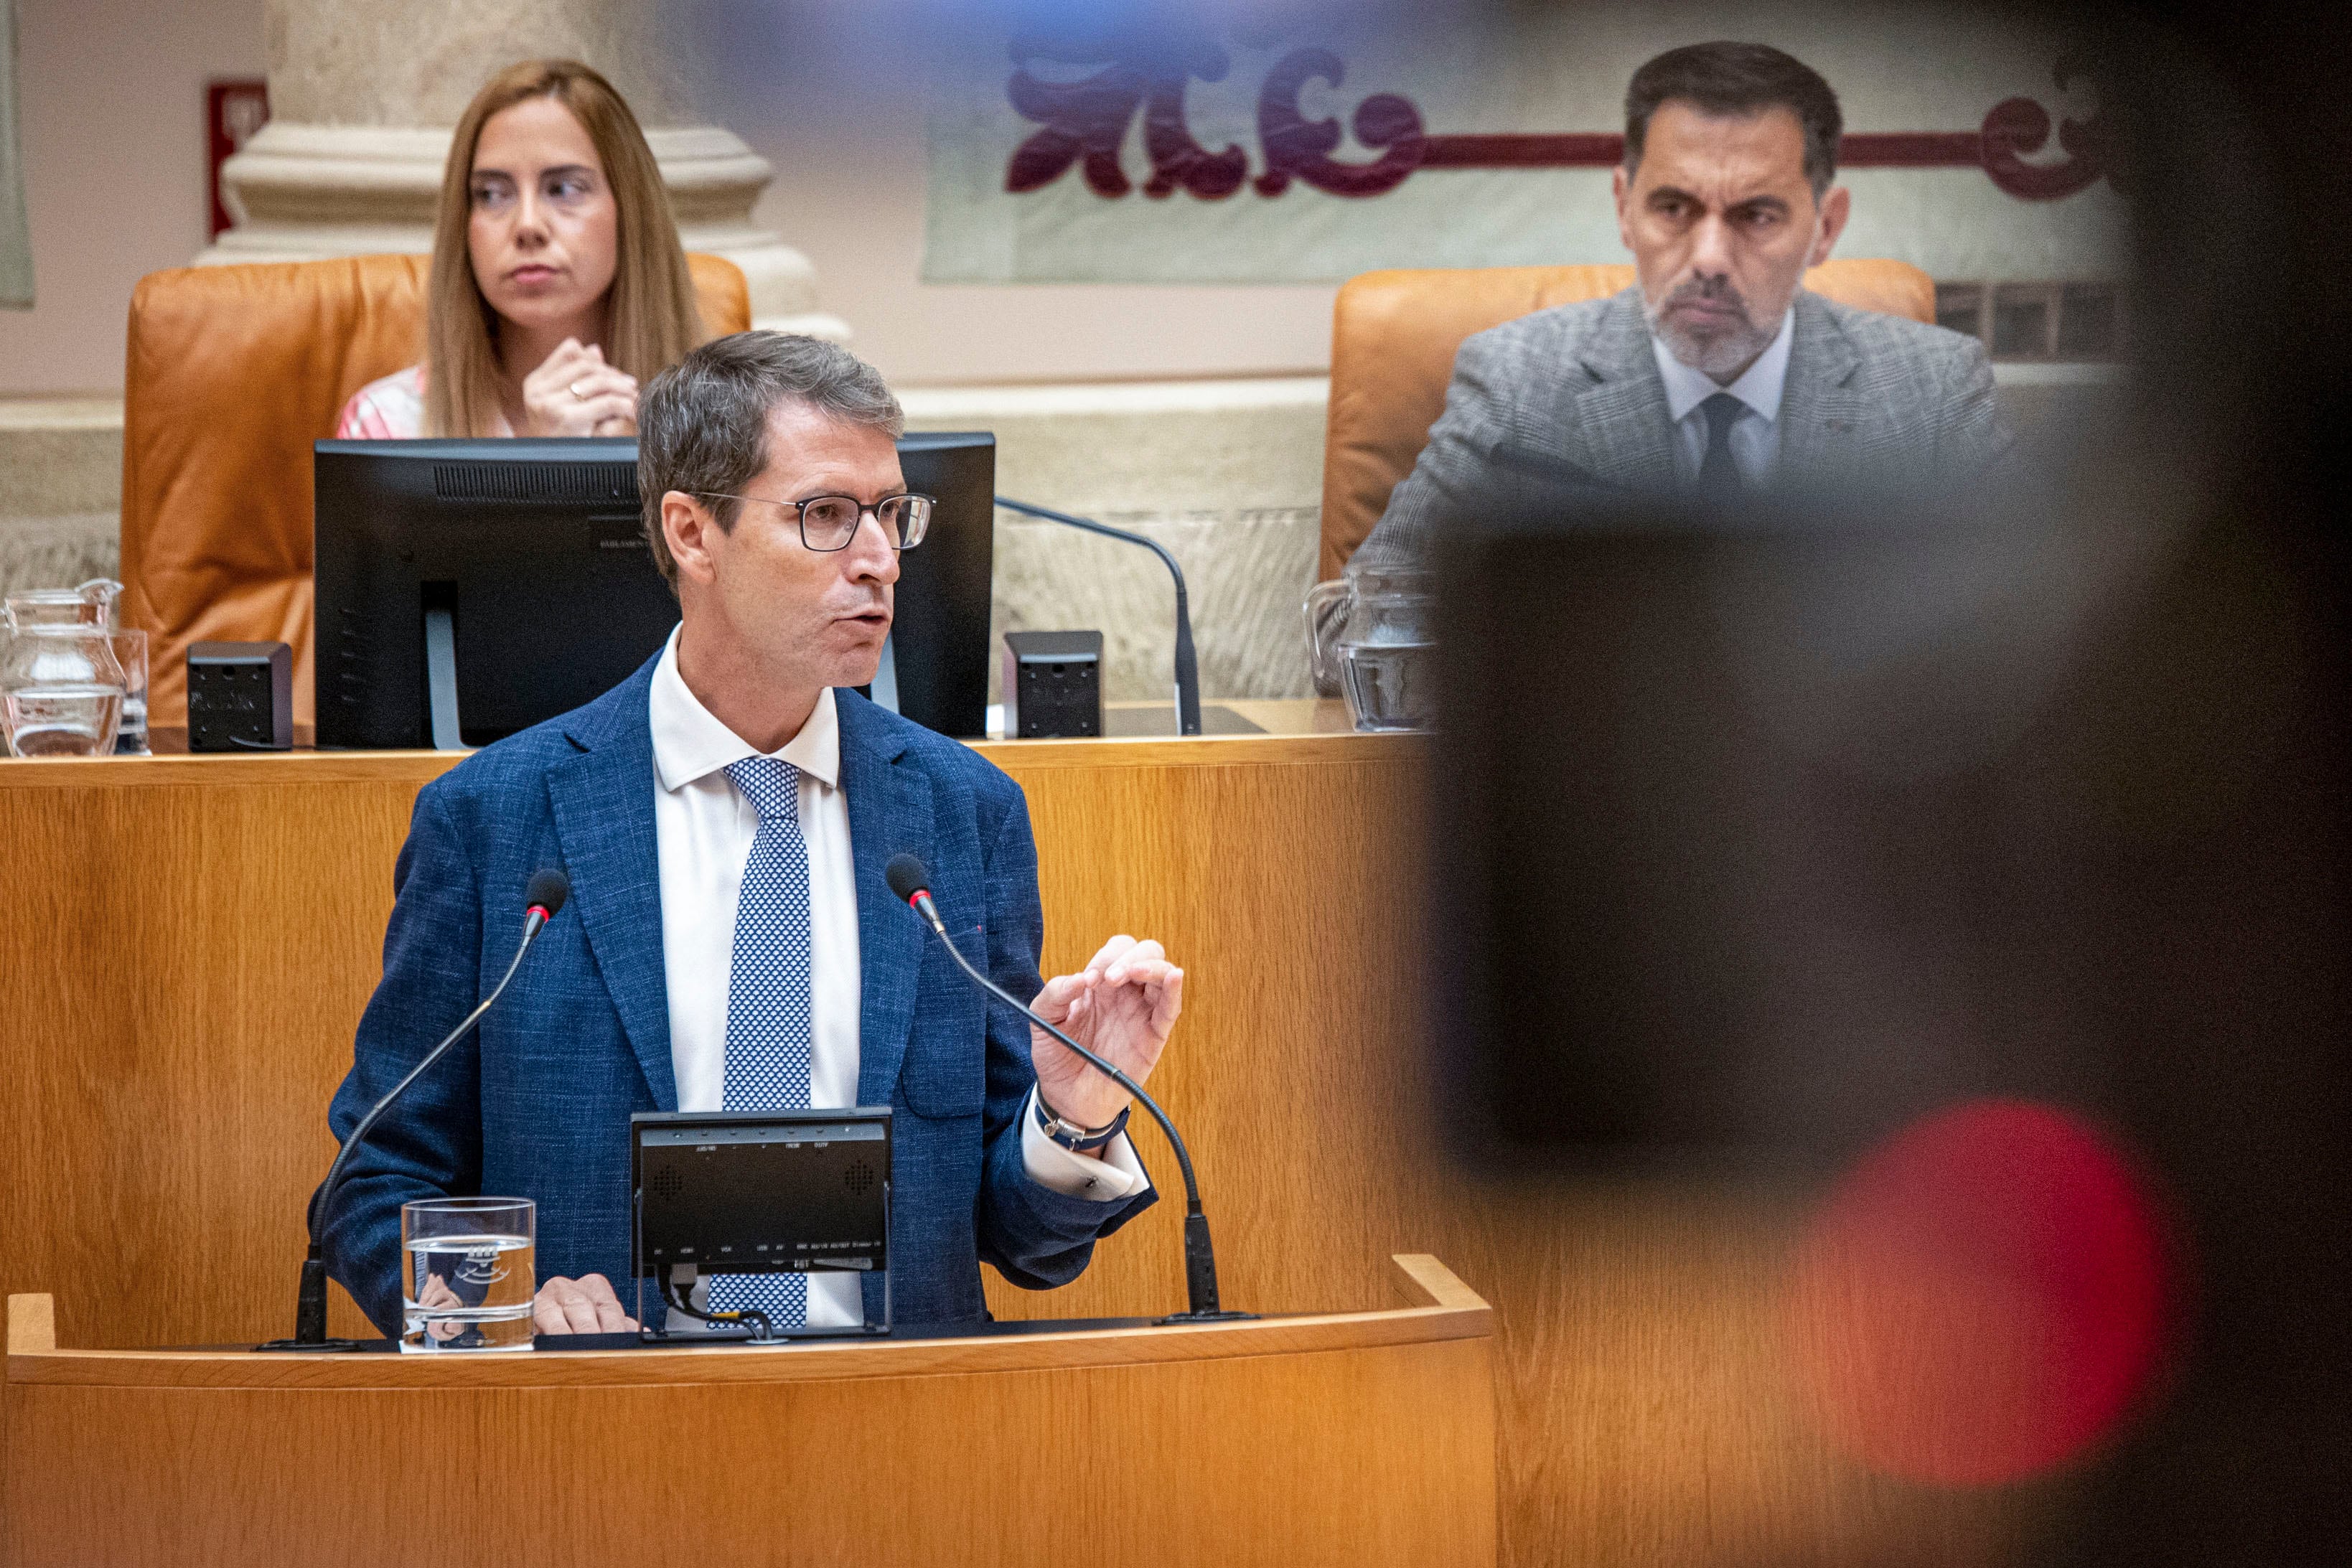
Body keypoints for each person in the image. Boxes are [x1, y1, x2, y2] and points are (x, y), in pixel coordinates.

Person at [320, 332, 1181, 1336]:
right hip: (603, 1435)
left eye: (892, 516)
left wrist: (1070, 1115)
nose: (877, 561)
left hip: (902, 1433)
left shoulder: (959, 814)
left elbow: (1020, 1243)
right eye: (825, 515)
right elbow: (371, 1181)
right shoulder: (496, 818)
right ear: (693, 533)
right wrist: (498, 1305)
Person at [1357, 41, 2013, 570]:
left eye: (1756, 215)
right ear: (1623, 207)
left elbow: (2029, 632)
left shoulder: (1931, 393)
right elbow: (1358, 629)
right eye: (1673, 208)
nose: (1708, 259)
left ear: (1826, 228)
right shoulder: (1517, 384)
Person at [335, 59, 704, 441]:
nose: (527, 225)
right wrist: (548, 469)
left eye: (564, 189)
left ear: (630, 210)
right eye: (493, 195)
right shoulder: (387, 427)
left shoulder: (725, 422)